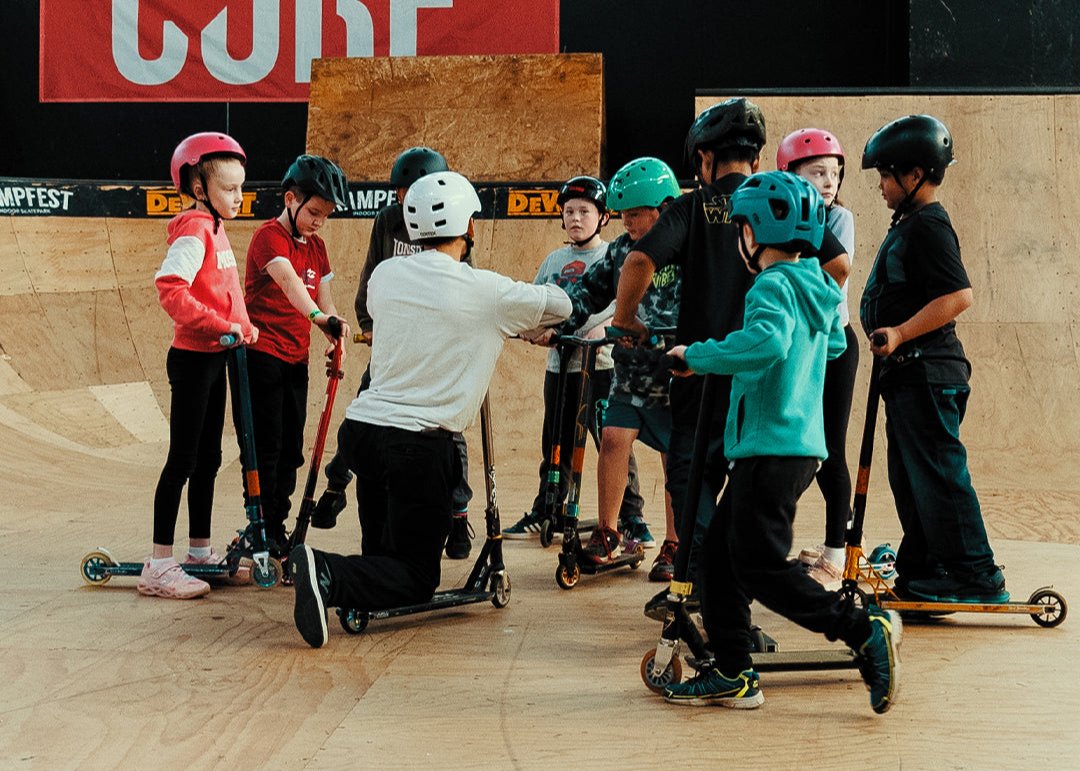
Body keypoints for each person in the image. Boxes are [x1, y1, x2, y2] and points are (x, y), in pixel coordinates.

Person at [290, 171, 572, 648]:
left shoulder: (385, 276)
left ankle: (337, 585)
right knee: (418, 576)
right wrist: (513, 324)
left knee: (383, 555)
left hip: (362, 433)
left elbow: (424, 317)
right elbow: (560, 304)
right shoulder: (488, 291)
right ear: (470, 229)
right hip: (417, 446)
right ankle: (324, 573)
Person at [662, 171, 901, 713]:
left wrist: (696, 356)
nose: (740, 239)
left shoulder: (771, 286)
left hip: (771, 447)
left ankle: (863, 631)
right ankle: (733, 670)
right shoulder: (818, 288)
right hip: (790, 448)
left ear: (759, 232)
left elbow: (766, 343)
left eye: (742, 228)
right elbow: (834, 345)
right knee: (720, 564)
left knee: (760, 567)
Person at [613, 99, 852, 621]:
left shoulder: (693, 207)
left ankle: (706, 579)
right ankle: (720, 589)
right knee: (741, 487)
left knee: (690, 475)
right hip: (766, 388)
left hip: (703, 369)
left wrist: (626, 319)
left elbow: (637, 259)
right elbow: (838, 262)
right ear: (757, 155)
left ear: (703, 158)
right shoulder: (781, 202)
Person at [860, 114, 1007, 603]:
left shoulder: (929, 226)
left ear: (914, 174)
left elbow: (959, 295)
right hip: (908, 375)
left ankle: (976, 574)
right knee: (910, 474)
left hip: (928, 368)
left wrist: (900, 332)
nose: (880, 186)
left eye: (886, 175)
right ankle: (925, 564)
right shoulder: (910, 222)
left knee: (939, 472)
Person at [314, 146, 478, 561]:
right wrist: (369, 325)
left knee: (446, 428)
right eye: (401, 192)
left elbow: (465, 282)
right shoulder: (388, 221)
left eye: (415, 191)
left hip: (437, 348)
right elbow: (372, 273)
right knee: (366, 413)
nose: (407, 201)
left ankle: (458, 511)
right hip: (395, 342)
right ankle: (336, 485)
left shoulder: (454, 224)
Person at [553, 159, 683, 580]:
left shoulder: (686, 248)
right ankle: (608, 533)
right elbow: (587, 292)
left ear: (662, 208)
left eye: (635, 214)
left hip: (675, 377)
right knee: (611, 439)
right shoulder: (623, 250)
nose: (627, 222)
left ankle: (675, 543)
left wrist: (669, 338)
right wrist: (555, 325)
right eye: (622, 214)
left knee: (674, 460)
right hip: (630, 375)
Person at [142, 132, 256, 599]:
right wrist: (219, 325)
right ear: (198, 189)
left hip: (216, 357)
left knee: (209, 459)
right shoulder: (193, 227)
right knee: (183, 461)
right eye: (228, 189)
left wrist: (244, 327)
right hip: (192, 358)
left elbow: (226, 289)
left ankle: (199, 552)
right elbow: (171, 288)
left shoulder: (215, 226)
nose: (238, 197)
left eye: (240, 188)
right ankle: (159, 564)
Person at [503, 176, 647, 541]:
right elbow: (538, 301)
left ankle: (630, 515)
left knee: (611, 440)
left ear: (602, 217)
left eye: (585, 211)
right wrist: (533, 328)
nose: (575, 218)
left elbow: (621, 303)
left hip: (601, 367)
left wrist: (603, 330)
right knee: (555, 438)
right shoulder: (555, 260)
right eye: (569, 212)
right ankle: (548, 505)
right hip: (561, 366)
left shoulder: (611, 255)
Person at [238, 154, 351, 555]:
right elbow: (290, 283)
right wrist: (320, 319)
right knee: (266, 448)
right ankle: (261, 526)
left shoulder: (317, 248)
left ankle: (277, 527)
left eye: (326, 215)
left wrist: (336, 330)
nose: (319, 221)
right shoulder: (269, 236)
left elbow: (326, 298)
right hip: (261, 354)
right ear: (290, 199)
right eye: (314, 212)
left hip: (295, 360)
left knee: (290, 451)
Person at [777, 127, 859, 587]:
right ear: (790, 174)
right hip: (799, 345)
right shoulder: (783, 217)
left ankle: (835, 551)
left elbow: (832, 284)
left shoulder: (837, 222)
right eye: (817, 173)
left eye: (834, 174)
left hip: (834, 345)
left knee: (830, 449)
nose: (829, 183)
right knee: (803, 444)